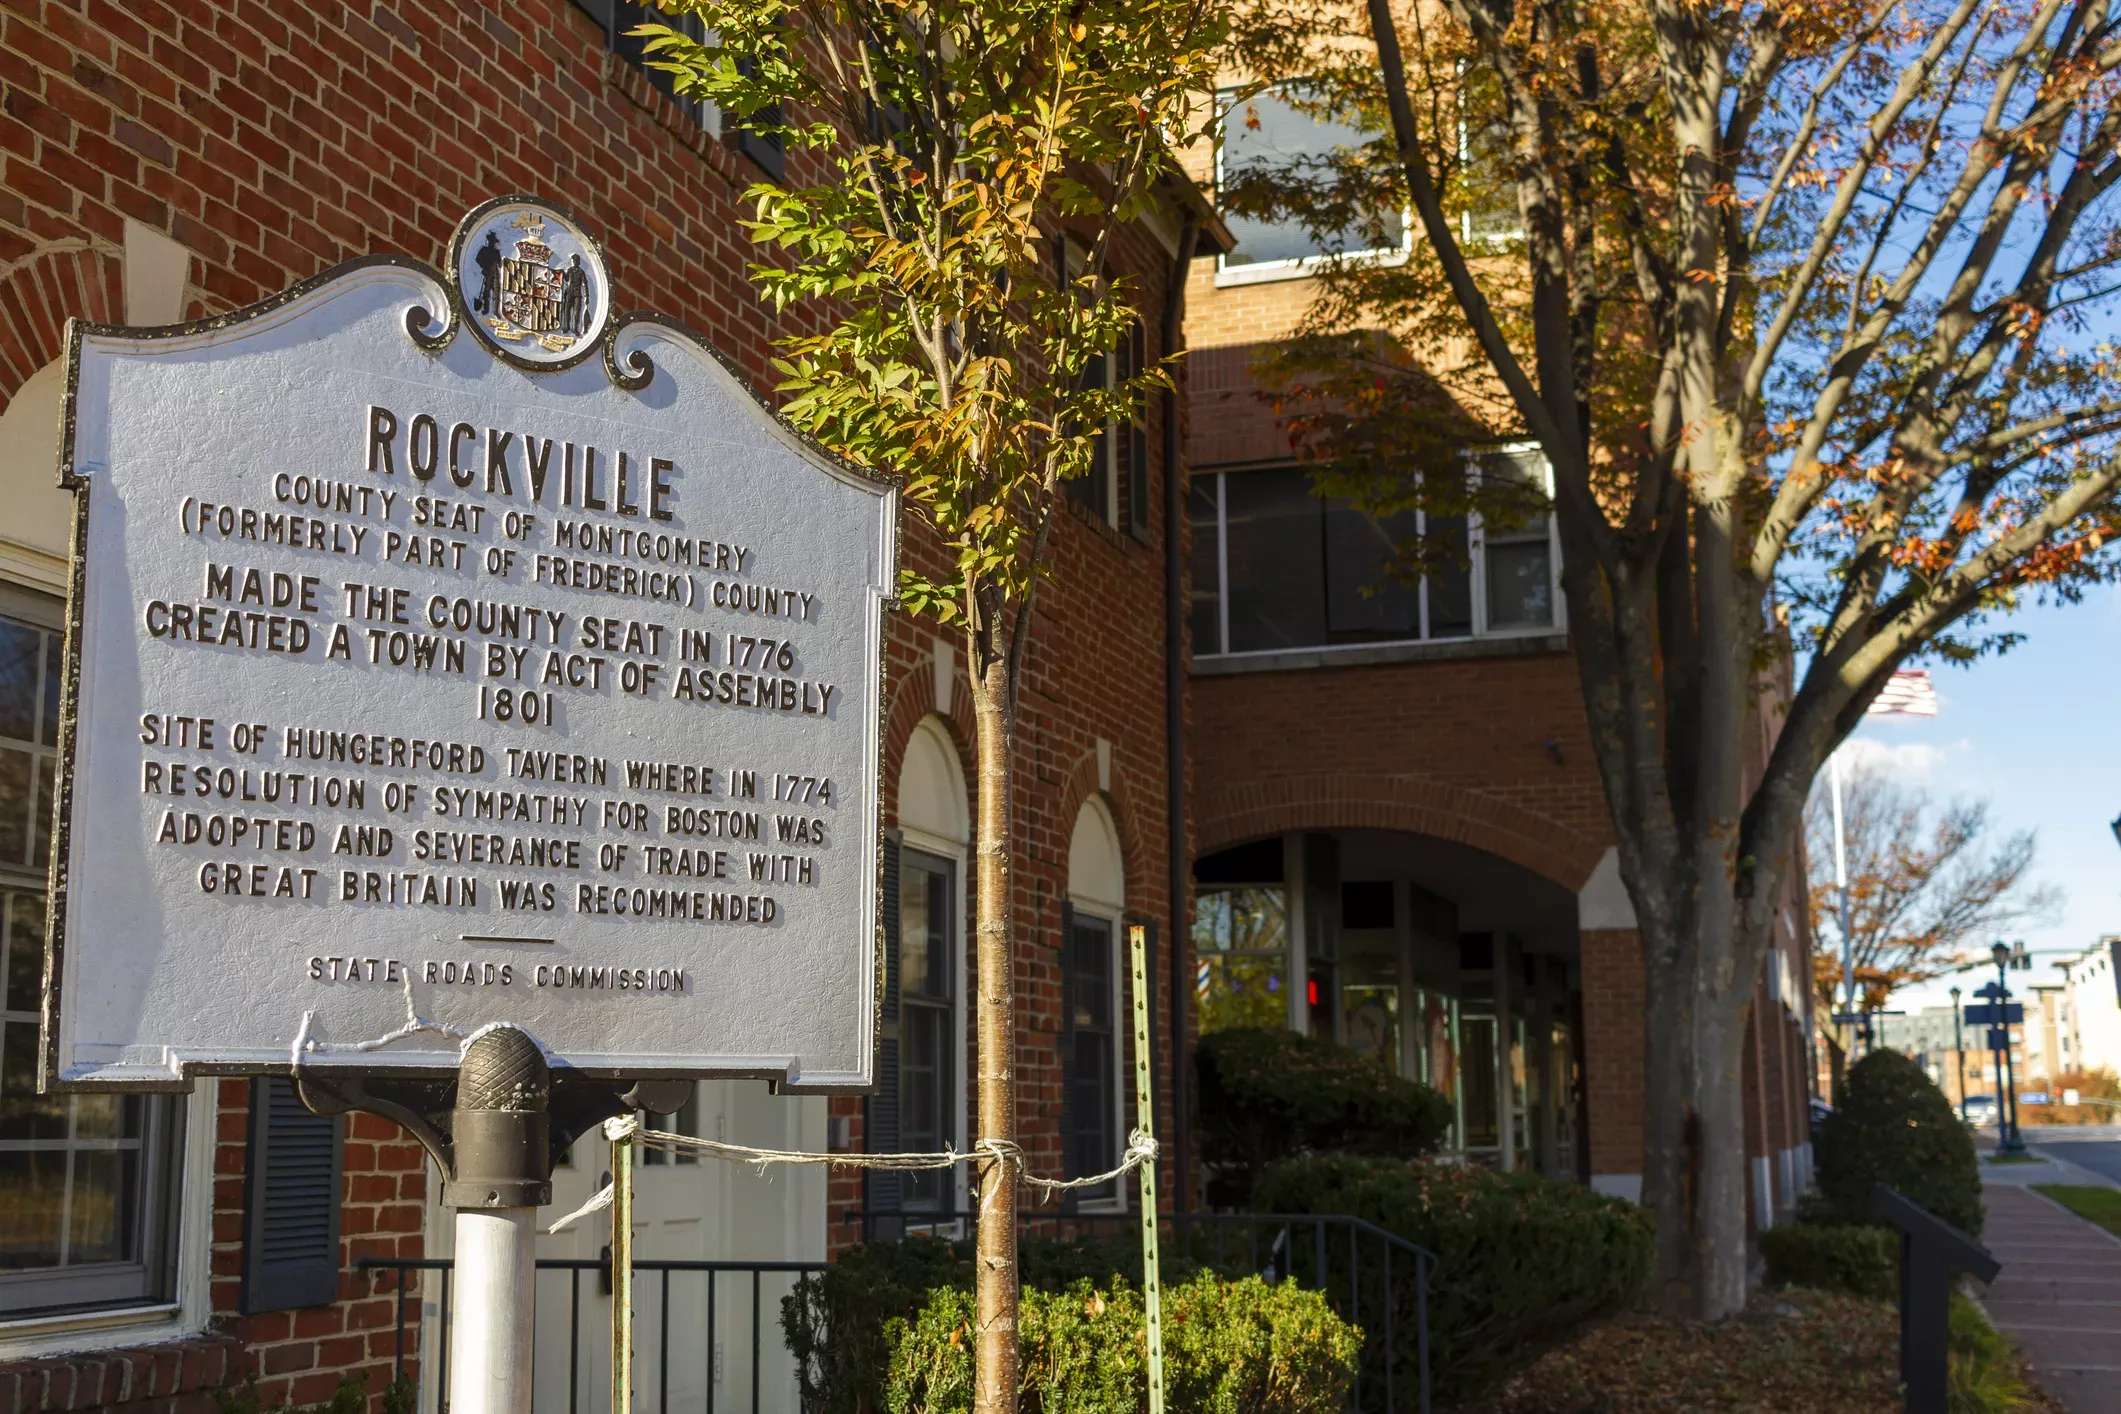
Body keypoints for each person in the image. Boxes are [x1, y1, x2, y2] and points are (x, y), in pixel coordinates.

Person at [473, 231, 503, 316]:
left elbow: (500, 264)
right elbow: (478, 259)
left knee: (495, 293)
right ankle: (486, 309)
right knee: (486, 291)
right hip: (488, 272)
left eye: (492, 242)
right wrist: (484, 267)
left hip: (495, 274)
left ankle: (495, 310)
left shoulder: (496, 252)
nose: (491, 243)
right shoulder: (484, 250)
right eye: (491, 242)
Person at [560, 253, 589, 336]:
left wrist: (587, 296)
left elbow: (585, 284)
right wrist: (562, 273)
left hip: (577, 294)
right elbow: (566, 279)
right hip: (569, 292)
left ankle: (575, 328)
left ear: (578, 262)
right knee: (567, 310)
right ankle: (566, 326)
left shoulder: (581, 272)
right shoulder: (570, 270)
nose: (574, 262)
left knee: (577, 312)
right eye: (573, 260)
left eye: (576, 261)